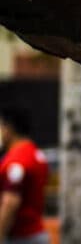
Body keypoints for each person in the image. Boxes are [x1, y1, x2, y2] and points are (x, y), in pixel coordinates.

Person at [0, 103, 49, 244]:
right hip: (37, 231)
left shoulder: (16, 161)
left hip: (21, 237)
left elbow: (10, 203)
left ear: (9, 128)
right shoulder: (37, 155)